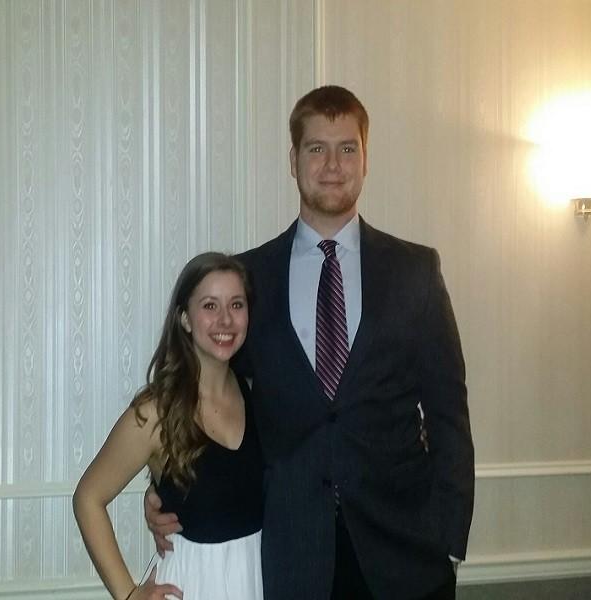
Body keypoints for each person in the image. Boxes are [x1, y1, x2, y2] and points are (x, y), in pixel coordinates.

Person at [146, 85, 474, 599]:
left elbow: (449, 413)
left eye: (348, 148)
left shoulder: (415, 272)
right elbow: (211, 396)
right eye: (316, 148)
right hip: (292, 556)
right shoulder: (251, 279)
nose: (332, 165)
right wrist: (165, 486)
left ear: (366, 160)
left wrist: (450, 537)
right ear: (293, 160)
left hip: (407, 555)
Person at [74, 252, 264, 600]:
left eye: (236, 305)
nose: (225, 319)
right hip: (193, 585)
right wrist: (129, 594)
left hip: (260, 580)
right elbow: (88, 497)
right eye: (209, 306)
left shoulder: (258, 395)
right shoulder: (156, 411)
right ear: (185, 319)